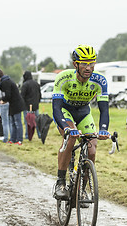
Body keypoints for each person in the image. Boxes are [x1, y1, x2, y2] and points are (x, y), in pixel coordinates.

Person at [52, 45, 110, 200]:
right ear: (75, 64)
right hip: (65, 112)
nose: (88, 67)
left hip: (84, 113)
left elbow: (104, 110)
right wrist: (65, 127)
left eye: (92, 63)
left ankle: (81, 190)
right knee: (70, 138)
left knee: (92, 149)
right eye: (84, 63)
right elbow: (56, 108)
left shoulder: (100, 81)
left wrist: (104, 129)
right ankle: (61, 182)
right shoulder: (63, 78)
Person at [0, 69, 25, 145]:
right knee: (12, 122)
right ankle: (13, 139)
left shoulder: (5, 82)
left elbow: (8, 95)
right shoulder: (6, 80)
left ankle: (19, 139)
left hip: (16, 104)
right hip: (12, 104)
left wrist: (3, 100)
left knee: (17, 122)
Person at [21, 71, 42, 139]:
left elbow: (22, 96)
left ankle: (28, 135)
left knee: (28, 122)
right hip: (36, 106)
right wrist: (37, 102)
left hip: (27, 106)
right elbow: (39, 95)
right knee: (37, 121)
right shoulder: (36, 84)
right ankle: (40, 135)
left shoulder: (25, 84)